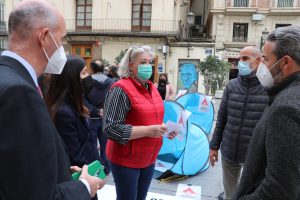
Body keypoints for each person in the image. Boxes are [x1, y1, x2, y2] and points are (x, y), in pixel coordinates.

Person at [0, 1, 104, 199]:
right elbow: (32, 194)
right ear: (44, 36)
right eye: (62, 39)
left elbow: (17, 166)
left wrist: (61, 171)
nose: (62, 48)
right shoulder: (19, 92)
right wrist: (83, 186)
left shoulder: (10, 77)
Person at [233, 26, 300, 200]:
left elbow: (279, 189)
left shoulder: (286, 110)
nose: (261, 66)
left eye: (265, 59)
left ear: (285, 62)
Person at [103, 45, 177, 200]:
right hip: (126, 160)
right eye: (143, 62)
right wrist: (150, 131)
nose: (148, 66)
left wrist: (165, 129)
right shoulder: (120, 89)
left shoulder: (152, 88)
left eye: (150, 62)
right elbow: (111, 129)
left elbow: (150, 118)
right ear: (131, 65)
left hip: (149, 158)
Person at [209, 46, 269, 200]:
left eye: (245, 58)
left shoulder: (268, 88)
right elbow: (221, 118)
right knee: (230, 194)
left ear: (258, 61)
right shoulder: (231, 86)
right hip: (229, 152)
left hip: (254, 156)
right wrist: (214, 146)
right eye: (239, 59)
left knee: (249, 195)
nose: (240, 62)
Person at [84, 59, 114, 175]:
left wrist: (96, 110)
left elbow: (83, 100)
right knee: (105, 144)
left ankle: (97, 168)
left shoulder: (87, 82)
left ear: (91, 69)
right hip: (106, 119)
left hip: (91, 118)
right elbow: (113, 99)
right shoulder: (111, 82)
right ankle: (106, 168)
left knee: (92, 145)